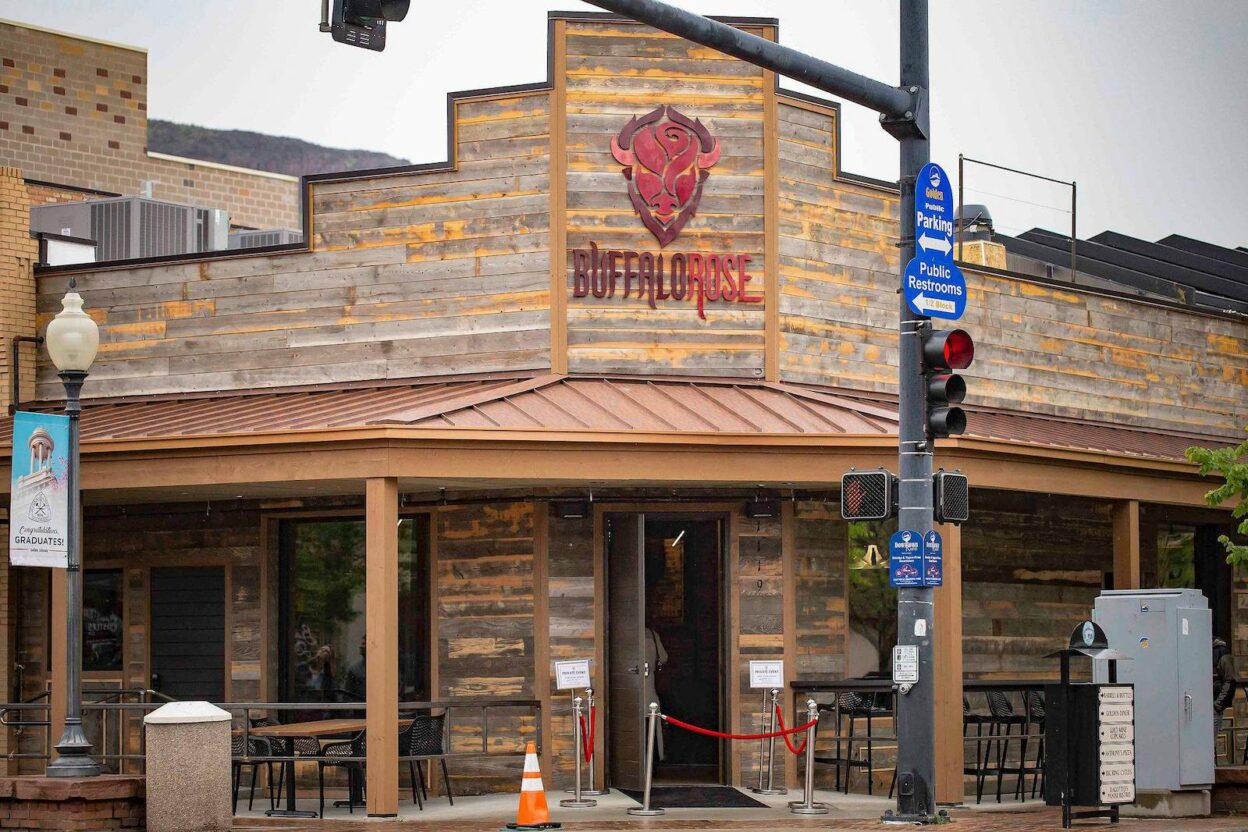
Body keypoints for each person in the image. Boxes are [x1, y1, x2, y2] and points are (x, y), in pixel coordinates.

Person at [1214, 636, 1238, 737]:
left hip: (1214, 705)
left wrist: (1217, 706)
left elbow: (1230, 680)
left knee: (1209, 743)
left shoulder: (1222, 652)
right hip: (1200, 706)